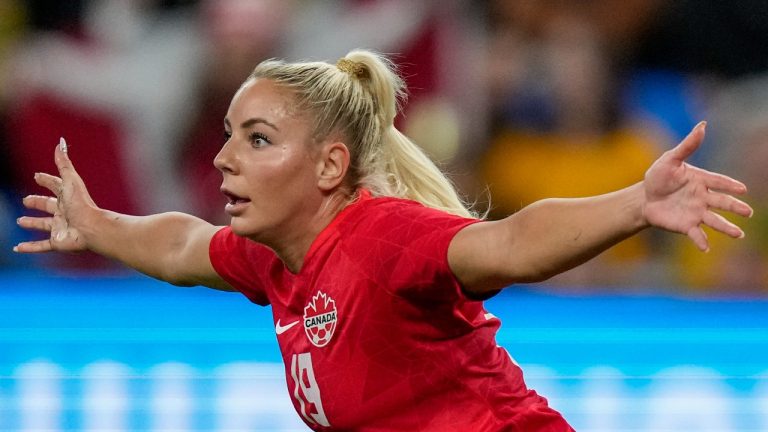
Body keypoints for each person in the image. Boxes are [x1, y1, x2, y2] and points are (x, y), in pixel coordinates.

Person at [14, 49, 752, 431]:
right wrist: (98, 225)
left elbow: (511, 244)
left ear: (331, 165)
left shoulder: (381, 238)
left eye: (258, 139)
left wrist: (634, 203)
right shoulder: (277, 259)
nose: (223, 158)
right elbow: (182, 248)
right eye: (231, 135)